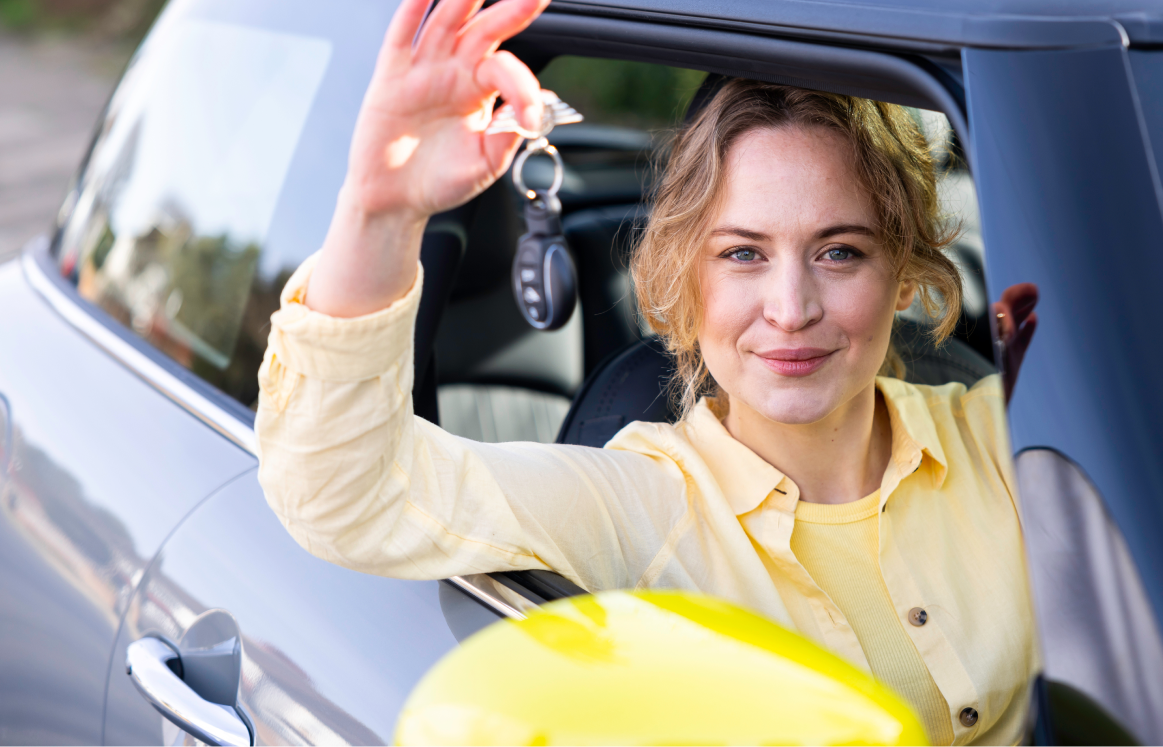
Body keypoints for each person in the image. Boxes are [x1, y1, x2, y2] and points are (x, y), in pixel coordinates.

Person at [255, 0, 1040, 744]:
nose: (791, 307)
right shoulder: (641, 505)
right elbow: (342, 490)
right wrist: (379, 208)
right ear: (683, 275)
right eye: (742, 254)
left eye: (839, 251)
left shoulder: (1000, 436)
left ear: (903, 270)